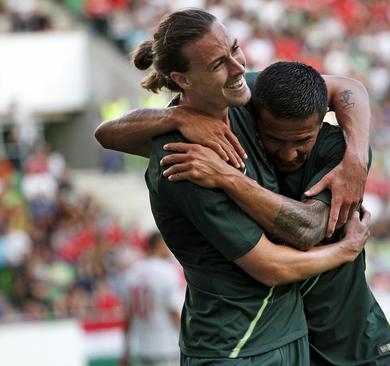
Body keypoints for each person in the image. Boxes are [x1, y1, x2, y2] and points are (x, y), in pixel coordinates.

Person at [95, 9, 372, 364]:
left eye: (235, 49)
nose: (238, 66)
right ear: (183, 79)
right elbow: (271, 266)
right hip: (235, 348)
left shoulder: (242, 97)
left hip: (285, 336)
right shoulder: (185, 160)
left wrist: (356, 157)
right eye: (217, 64)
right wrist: (346, 250)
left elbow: (347, 88)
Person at [161, 61, 390, 365]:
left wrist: (227, 179)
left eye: (302, 141)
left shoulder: (340, 156)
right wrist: (175, 116)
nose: (288, 153)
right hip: (289, 347)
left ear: (321, 123)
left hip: (356, 346)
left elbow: (307, 228)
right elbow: (110, 134)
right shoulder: (239, 131)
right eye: (275, 139)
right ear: (255, 120)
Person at [122, 232, 184, 366]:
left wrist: (126, 351)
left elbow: (129, 316)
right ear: (160, 245)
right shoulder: (167, 271)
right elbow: (174, 312)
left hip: (143, 347)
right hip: (167, 347)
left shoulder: (132, 272)